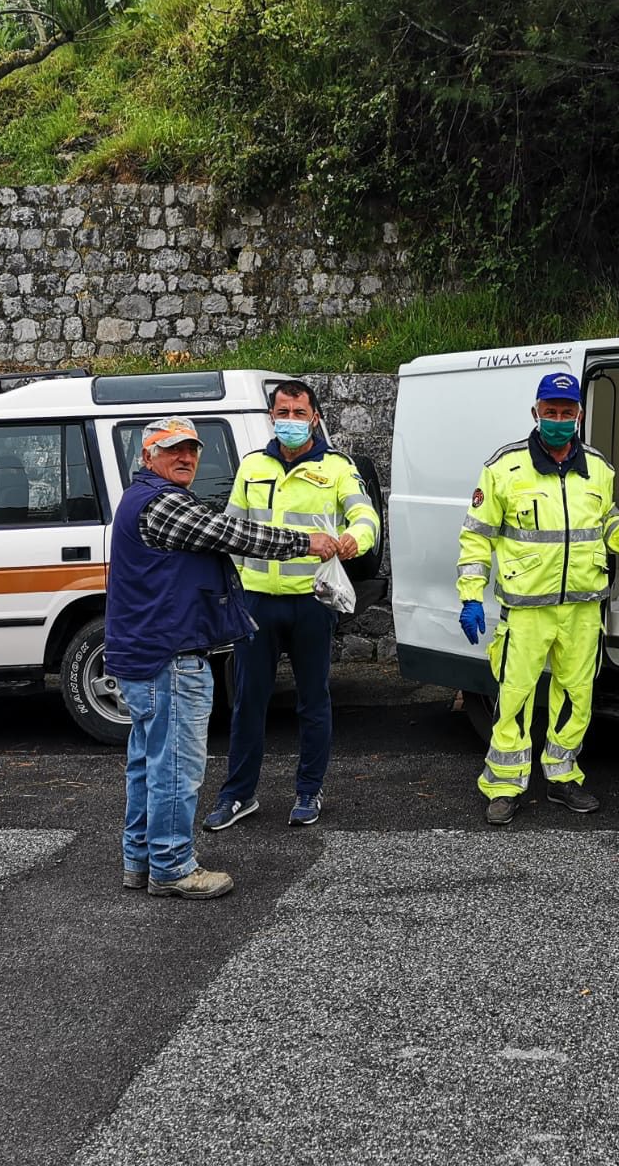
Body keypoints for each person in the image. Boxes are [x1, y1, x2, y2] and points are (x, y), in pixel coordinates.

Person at [106, 416, 340, 900]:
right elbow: (231, 534)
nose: (186, 458)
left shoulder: (143, 499)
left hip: (149, 656)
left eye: (191, 449)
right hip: (168, 657)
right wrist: (306, 542)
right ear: (147, 457)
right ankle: (171, 866)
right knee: (174, 767)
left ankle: (141, 860)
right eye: (172, 450)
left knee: (147, 764)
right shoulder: (162, 503)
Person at [457, 371, 619, 825]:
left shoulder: (599, 470)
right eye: (549, 411)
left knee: (576, 696)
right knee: (514, 697)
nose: (557, 419)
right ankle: (503, 785)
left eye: (565, 412)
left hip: (582, 608)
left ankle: (562, 776)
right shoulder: (504, 468)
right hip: (527, 609)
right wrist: (471, 596)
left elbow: (607, 525)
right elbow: (477, 537)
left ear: (579, 415)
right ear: (535, 413)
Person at [204, 381, 380, 830]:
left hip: (310, 602)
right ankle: (238, 795)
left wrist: (353, 540)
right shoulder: (252, 467)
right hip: (257, 603)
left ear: (315, 417)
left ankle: (308, 790)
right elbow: (232, 529)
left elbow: (366, 516)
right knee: (247, 702)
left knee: (312, 702)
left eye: (299, 413)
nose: (291, 420)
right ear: (271, 415)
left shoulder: (337, 468)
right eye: (283, 411)